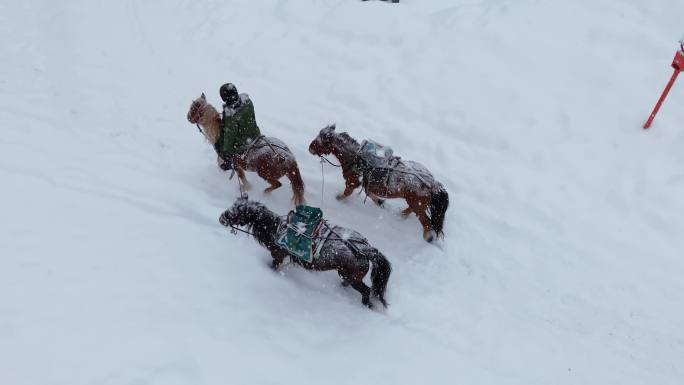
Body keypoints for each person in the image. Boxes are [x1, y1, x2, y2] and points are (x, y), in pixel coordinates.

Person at [215, 83, 262, 170]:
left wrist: (225, 150)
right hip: (255, 134)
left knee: (219, 145)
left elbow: (229, 136)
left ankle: (228, 164)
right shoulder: (247, 101)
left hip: (243, 144)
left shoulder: (231, 114)